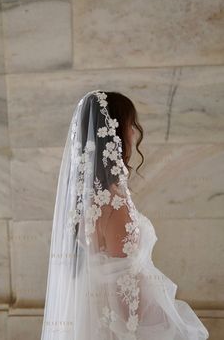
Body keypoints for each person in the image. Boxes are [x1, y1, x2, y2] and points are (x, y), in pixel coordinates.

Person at [40, 90, 209, 340]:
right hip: (124, 325)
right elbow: (126, 291)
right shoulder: (115, 204)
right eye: (131, 125)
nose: (134, 133)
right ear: (115, 133)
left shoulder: (83, 202)